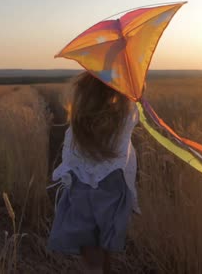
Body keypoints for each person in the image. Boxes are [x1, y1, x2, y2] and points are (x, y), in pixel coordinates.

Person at [47, 72, 140, 274]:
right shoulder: (123, 117)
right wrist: (133, 92)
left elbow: (69, 159)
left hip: (82, 191)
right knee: (105, 255)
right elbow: (134, 112)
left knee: (91, 260)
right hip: (112, 190)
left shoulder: (78, 124)